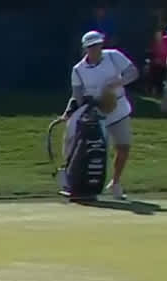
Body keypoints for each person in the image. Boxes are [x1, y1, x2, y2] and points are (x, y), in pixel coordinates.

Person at [63, 29, 138, 200]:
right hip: (95, 113)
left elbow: (133, 72)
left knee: (123, 147)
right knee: (86, 148)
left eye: (97, 45)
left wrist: (117, 83)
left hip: (118, 107)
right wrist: (71, 110)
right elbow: (78, 95)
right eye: (91, 46)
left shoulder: (113, 56)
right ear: (85, 49)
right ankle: (81, 184)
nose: (95, 49)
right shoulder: (78, 70)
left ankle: (116, 182)